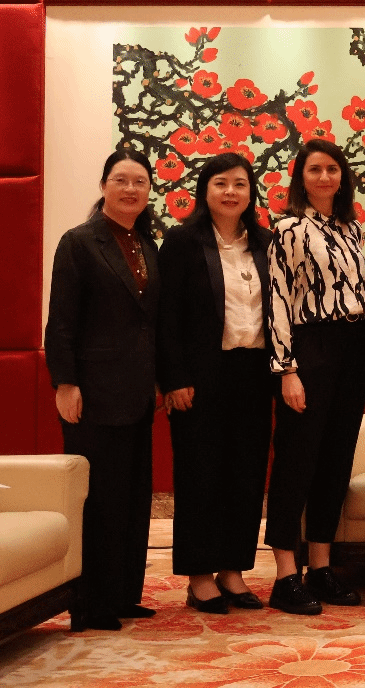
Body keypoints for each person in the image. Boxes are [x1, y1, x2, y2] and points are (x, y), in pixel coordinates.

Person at [45, 149, 162, 631]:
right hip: (92, 393)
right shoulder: (79, 242)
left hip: (137, 393)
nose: (130, 189)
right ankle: (91, 601)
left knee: (132, 496)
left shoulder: (147, 244)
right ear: (104, 186)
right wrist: (65, 382)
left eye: (139, 181)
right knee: (98, 499)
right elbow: (61, 321)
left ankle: (123, 594)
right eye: (120, 180)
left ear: (149, 189)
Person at [157, 152, 272, 615]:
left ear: (251, 192)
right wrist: (174, 378)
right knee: (200, 475)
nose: (230, 192)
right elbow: (166, 316)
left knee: (246, 474)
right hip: (200, 377)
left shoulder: (264, 242)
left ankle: (233, 570)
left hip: (254, 373)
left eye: (240, 184)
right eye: (221, 183)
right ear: (205, 190)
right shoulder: (183, 242)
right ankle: (200, 576)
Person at [265, 139, 365, 615]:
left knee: (336, 459)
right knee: (296, 460)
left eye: (332, 169)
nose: (325, 177)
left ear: (342, 176)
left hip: (353, 348)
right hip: (309, 348)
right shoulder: (287, 228)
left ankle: (321, 567)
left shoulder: (353, 229)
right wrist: (287, 370)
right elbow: (277, 300)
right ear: (301, 178)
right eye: (315, 170)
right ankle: (285, 573)